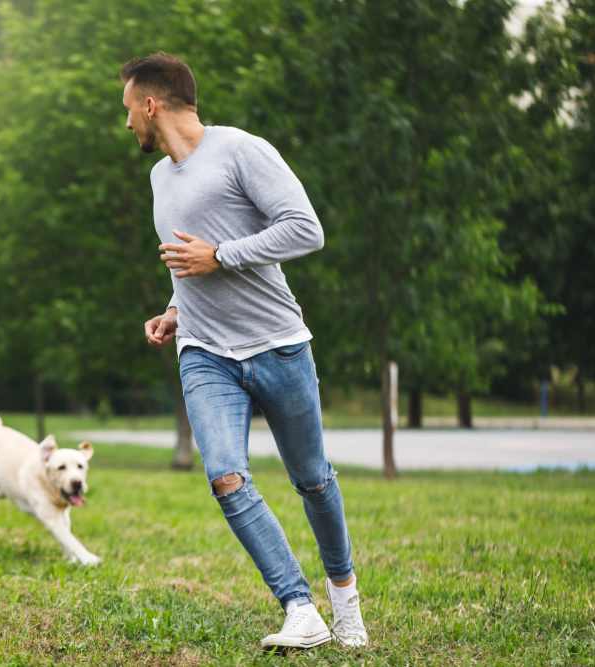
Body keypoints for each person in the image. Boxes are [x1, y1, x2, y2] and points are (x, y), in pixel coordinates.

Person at [121, 52, 368, 651]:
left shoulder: (240, 150)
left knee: (311, 480)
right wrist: (176, 310)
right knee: (225, 476)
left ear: (152, 104)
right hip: (205, 353)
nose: (127, 123)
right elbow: (190, 263)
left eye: (128, 109)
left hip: (277, 346)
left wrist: (223, 255)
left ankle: (345, 605)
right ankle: (299, 607)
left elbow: (306, 228)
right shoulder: (159, 179)